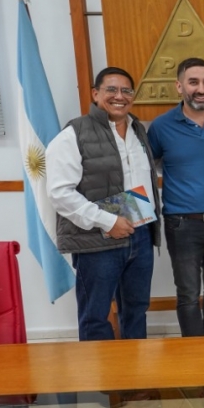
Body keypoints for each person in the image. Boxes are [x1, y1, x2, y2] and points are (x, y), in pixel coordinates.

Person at [46, 67, 160, 341]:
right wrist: (109, 221)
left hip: (140, 235)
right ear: (96, 94)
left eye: (126, 90)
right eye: (111, 89)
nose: (119, 96)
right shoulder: (74, 134)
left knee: (136, 310)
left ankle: (136, 379)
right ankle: (100, 383)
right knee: (95, 316)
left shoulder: (138, 130)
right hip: (97, 239)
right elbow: (60, 193)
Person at [148, 58, 204, 337]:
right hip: (181, 224)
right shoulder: (160, 127)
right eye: (193, 82)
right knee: (187, 294)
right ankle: (194, 355)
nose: (201, 88)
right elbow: (151, 167)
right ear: (179, 86)